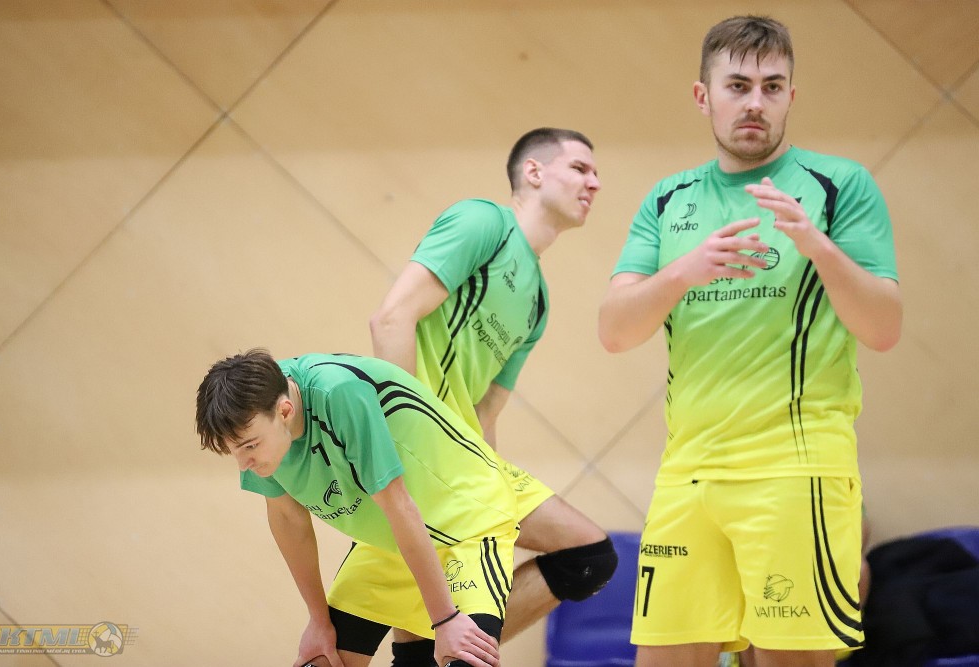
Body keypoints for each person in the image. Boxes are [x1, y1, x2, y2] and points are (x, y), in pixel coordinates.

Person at [598, 15, 901, 667]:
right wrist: (685, 271)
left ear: (791, 95)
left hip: (796, 474)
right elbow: (615, 331)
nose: (755, 102)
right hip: (687, 474)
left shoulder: (840, 186)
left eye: (772, 86)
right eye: (738, 85)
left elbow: (884, 328)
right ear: (703, 95)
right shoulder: (666, 199)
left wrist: (817, 247)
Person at [327, 127, 618, 665]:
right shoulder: (484, 222)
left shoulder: (538, 301)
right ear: (534, 172)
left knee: (589, 556)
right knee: (341, 651)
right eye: (580, 168)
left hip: (462, 469)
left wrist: (487, 501)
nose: (595, 183)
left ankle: (425, 651)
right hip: (412, 459)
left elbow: (487, 411)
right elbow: (391, 318)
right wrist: (403, 448)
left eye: (597, 173)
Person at [195, 349, 522, 667]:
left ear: (285, 411)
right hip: (386, 542)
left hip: (466, 523)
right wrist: (318, 620)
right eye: (234, 451)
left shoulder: (338, 393)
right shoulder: (257, 412)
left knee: (466, 659)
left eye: (250, 446)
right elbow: (288, 520)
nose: (244, 464)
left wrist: (445, 618)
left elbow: (400, 506)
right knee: (323, 660)